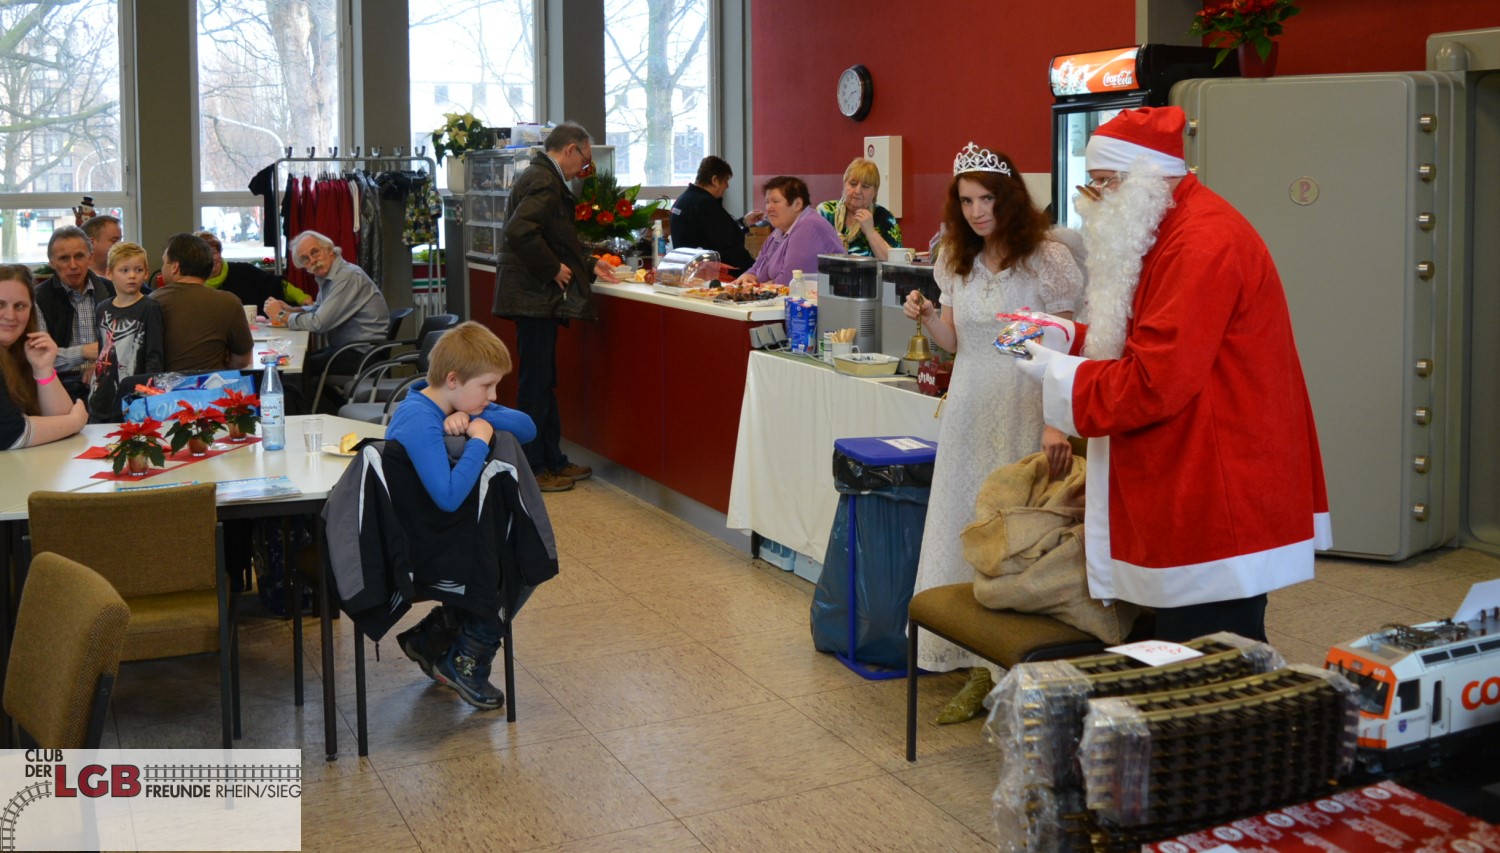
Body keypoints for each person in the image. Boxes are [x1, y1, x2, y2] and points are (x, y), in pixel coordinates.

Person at [1014, 106, 1330, 643]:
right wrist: (1068, 337)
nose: (1093, 199)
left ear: (1145, 180)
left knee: (1213, 652)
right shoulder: (1169, 226)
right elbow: (1148, 333)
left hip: (1218, 472)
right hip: (1202, 458)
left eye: (1103, 183)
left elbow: (1155, 380)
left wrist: (1057, 373)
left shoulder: (1199, 242)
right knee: (1195, 643)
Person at [901, 142, 1083, 723]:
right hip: (969, 404)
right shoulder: (957, 258)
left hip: (1026, 407)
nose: (978, 212)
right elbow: (959, 342)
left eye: (987, 200)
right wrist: (928, 318)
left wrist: (1058, 420)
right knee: (968, 523)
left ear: (1008, 199)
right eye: (967, 201)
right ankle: (974, 660)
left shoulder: (1047, 259)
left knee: (1018, 534)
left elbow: (1075, 346)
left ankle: (1016, 669)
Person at [385, 321, 537, 709]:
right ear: (453, 379)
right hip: (420, 545)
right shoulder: (420, 420)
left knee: (518, 546)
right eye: (487, 386)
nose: (494, 394)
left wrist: (475, 418)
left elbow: (527, 427)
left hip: (442, 532)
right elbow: (450, 496)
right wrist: (479, 441)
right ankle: (468, 656)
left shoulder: (439, 399)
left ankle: (433, 635)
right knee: (524, 560)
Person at [491, 121, 620, 493]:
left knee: (544, 381)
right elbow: (520, 231)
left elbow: (554, 236)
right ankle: (535, 466)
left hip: (535, 296)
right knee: (536, 384)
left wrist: (588, 261)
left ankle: (551, 459)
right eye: (585, 159)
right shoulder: (546, 181)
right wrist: (552, 268)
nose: (585, 168)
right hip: (533, 296)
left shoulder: (541, 176)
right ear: (570, 150)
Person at [0, 265, 88, 449]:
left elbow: (60, 417)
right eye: (0, 304)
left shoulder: (19, 350)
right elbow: (10, 433)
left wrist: (44, 369)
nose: (10, 315)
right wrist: (75, 421)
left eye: (20, 306)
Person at [263, 230, 389, 354]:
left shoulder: (347, 276)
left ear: (329, 249)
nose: (312, 260)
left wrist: (280, 315)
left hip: (362, 354)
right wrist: (291, 310)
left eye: (315, 252)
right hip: (348, 349)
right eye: (305, 259)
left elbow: (318, 323)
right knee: (299, 360)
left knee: (297, 365)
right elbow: (319, 309)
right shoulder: (329, 276)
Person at [151, 232, 255, 372]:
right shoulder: (229, 302)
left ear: (175, 267)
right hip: (215, 390)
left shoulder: (152, 301)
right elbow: (243, 360)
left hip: (164, 391)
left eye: (164, 263)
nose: (162, 268)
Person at [33, 226, 115, 401]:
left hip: (107, 382)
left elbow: (129, 346)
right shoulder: (38, 299)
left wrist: (100, 363)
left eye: (79, 256)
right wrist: (84, 352)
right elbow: (40, 359)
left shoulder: (112, 291)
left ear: (90, 258)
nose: (73, 265)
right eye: (64, 258)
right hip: (57, 387)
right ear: (52, 262)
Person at [89, 242, 165, 421]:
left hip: (134, 396)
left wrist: (148, 395)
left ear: (146, 273)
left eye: (138, 270)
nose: (132, 276)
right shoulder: (102, 308)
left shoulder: (150, 307)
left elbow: (154, 355)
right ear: (109, 273)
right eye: (124, 270)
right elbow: (102, 351)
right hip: (101, 394)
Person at [730, 176, 844, 287]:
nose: (769, 208)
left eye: (775, 201)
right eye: (767, 202)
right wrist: (749, 275)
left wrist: (762, 285)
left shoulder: (809, 227)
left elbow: (788, 282)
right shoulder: (780, 230)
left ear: (797, 204)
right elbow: (759, 264)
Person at [669, 155, 761, 272]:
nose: (727, 186)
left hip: (690, 270)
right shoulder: (705, 204)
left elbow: (713, 231)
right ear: (714, 180)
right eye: (725, 181)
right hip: (712, 274)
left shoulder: (683, 200)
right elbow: (728, 246)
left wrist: (744, 222)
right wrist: (754, 269)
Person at [194, 230, 311, 310]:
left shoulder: (243, 271)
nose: (210, 259)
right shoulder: (192, 284)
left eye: (213, 252)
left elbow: (276, 284)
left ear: (220, 252)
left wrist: (301, 297)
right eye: (204, 254)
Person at [817, 158, 902, 260]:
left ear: (874, 192)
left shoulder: (885, 218)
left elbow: (895, 262)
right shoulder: (825, 212)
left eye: (865, 187)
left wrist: (870, 232)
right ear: (844, 184)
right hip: (827, 275)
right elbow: (809, 251)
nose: (857, 191)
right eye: (853, 184)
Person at [83, 215, 123, 279]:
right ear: (91, 243)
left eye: (120, 240)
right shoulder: (78, 279)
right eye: (114, 241)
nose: (120, 245)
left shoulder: (128, 277)